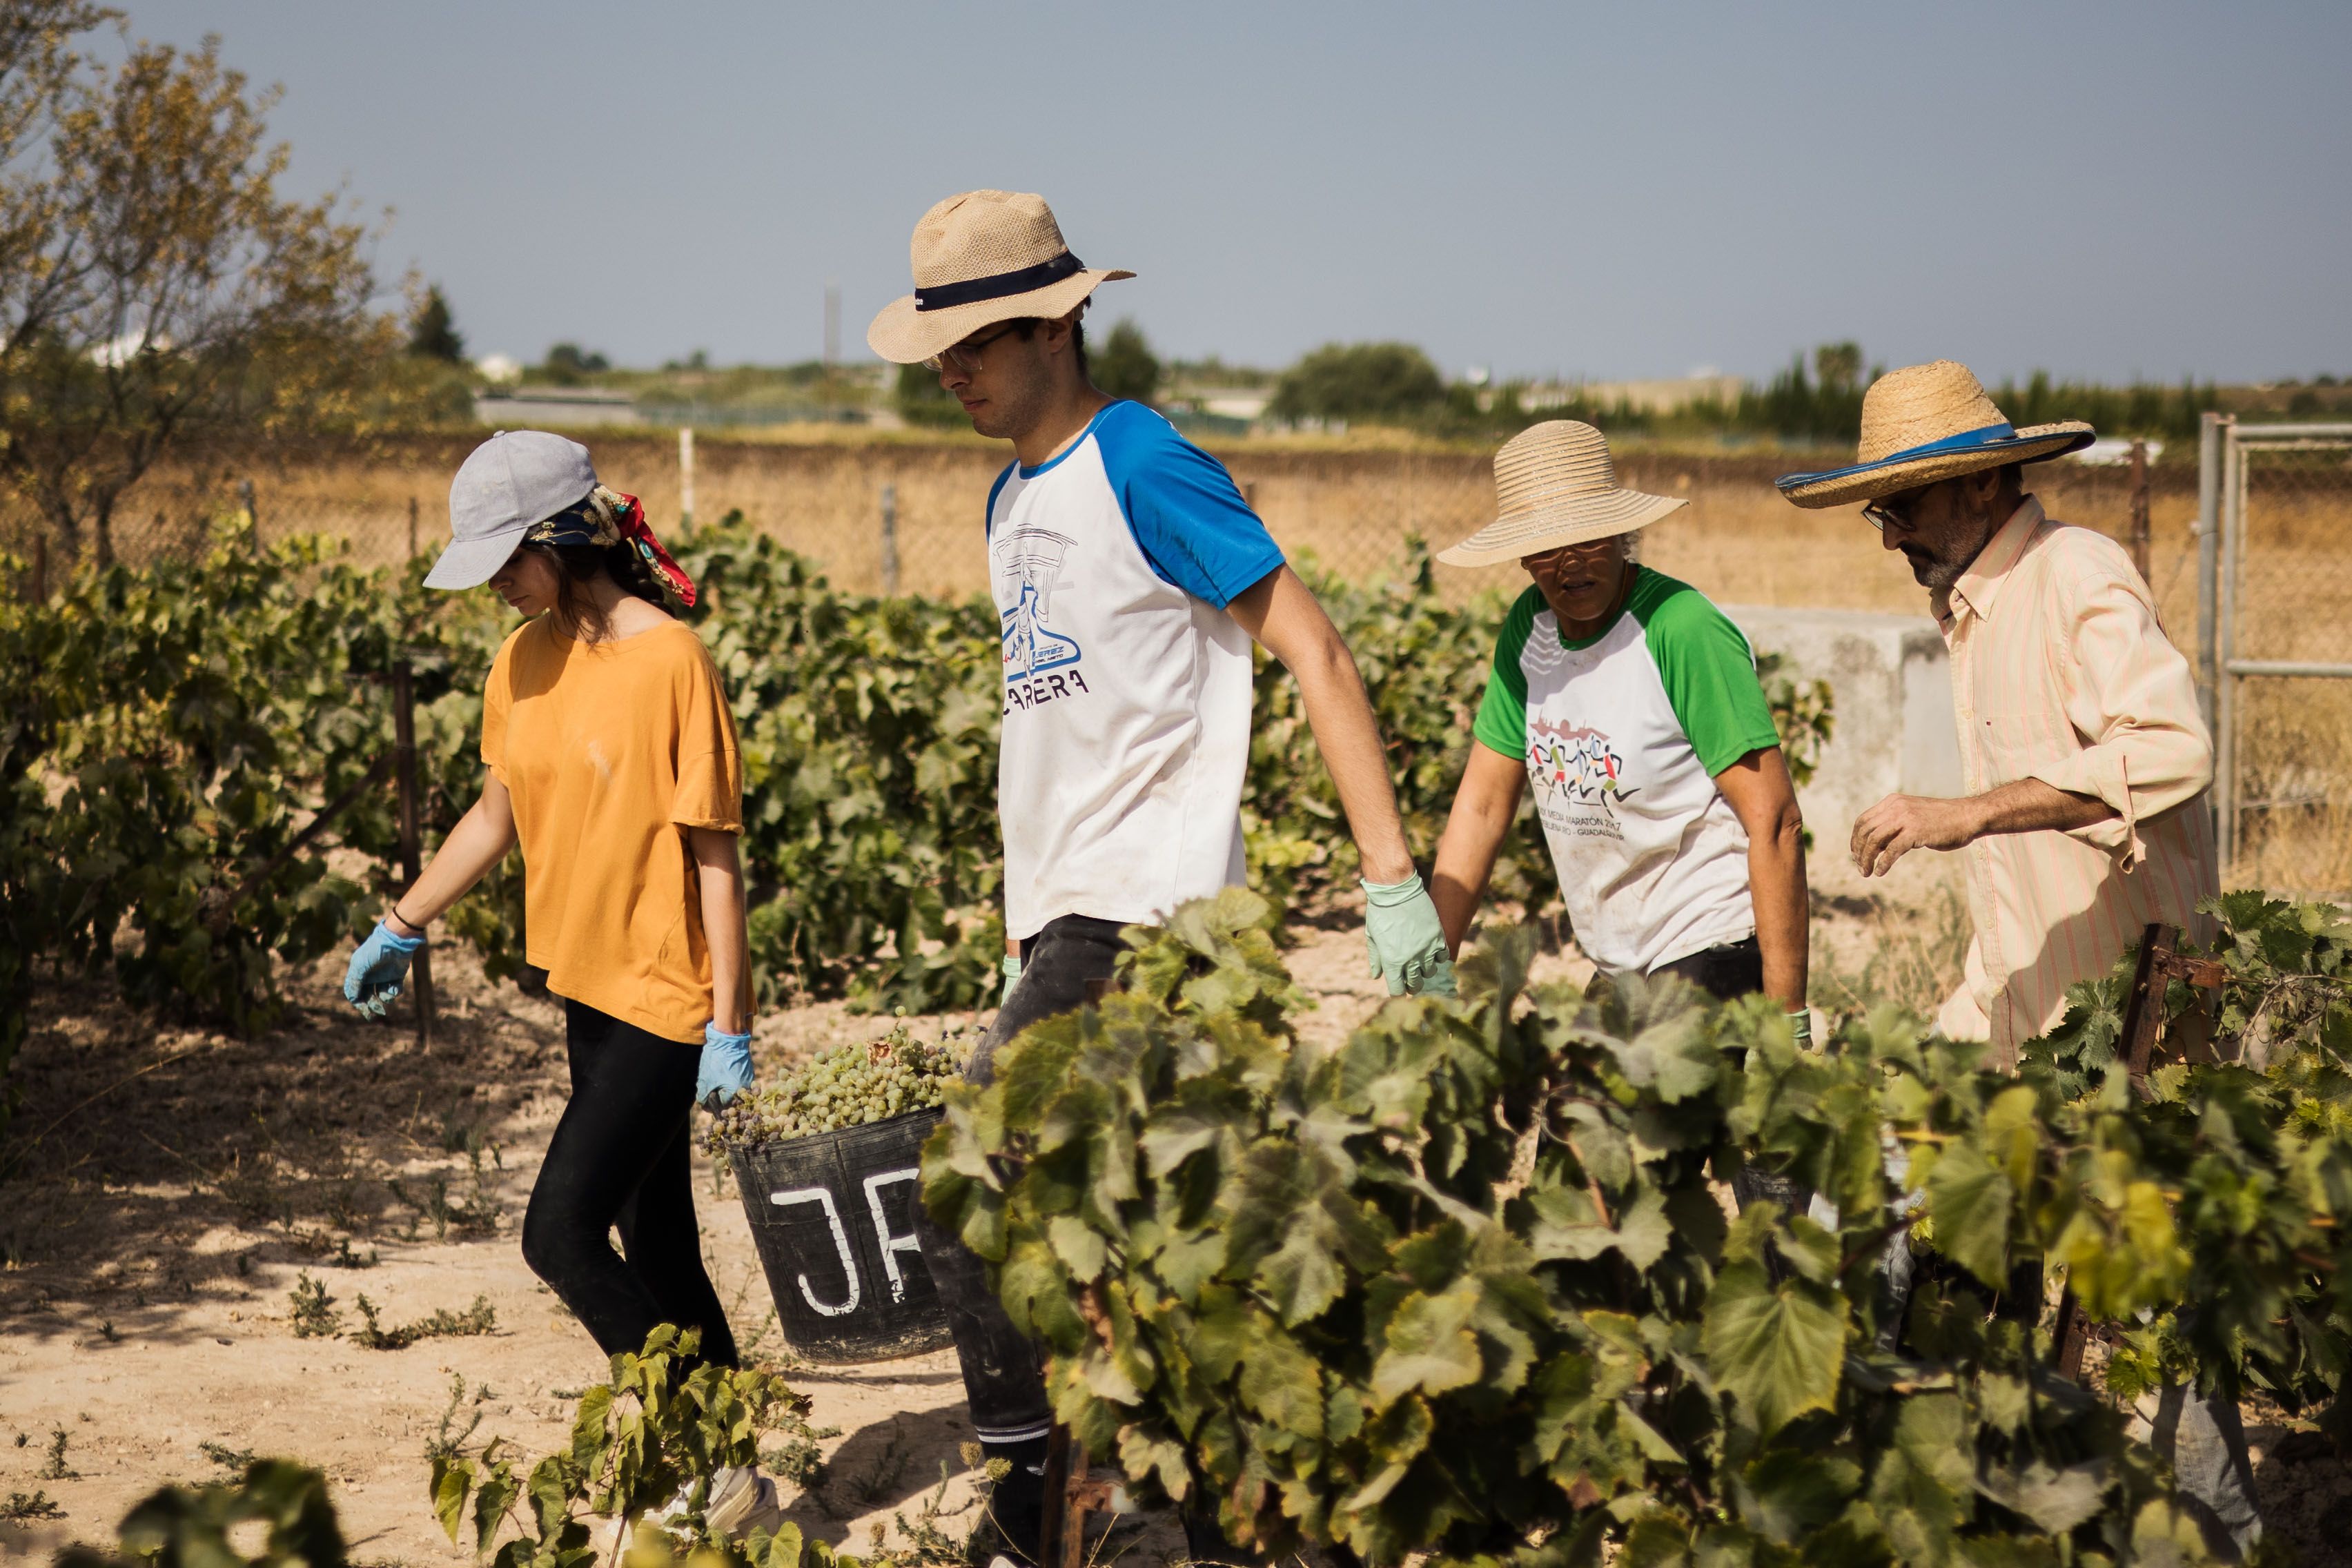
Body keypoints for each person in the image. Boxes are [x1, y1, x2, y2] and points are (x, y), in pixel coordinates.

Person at [865, 188, 1452, 1566]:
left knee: (966, 1181)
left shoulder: (1143, 459)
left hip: (1150, 913)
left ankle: (1029, 1498)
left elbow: (1312, 641)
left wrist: (1390, 876)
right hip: (1067, 919)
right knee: (1140, 1241)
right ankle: (1181, 1518)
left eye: (977, 340)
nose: (952, 369)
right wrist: (1021, 940)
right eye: (937, 349)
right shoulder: (1010, 498)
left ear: (1061, 322)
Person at [1776, 361, 2257, 1558]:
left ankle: (2223, 1541)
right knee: (1905, 1228)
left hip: (2135, 1031)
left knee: (2157, 1335)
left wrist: (1963, 810)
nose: (1885, 532)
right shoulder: (1968, 610)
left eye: (1902, 505)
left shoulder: (2074, 575)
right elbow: (2015, 905)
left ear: (1985, 481)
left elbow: (2171, 748)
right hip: (2018, 1013)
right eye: (1877, 510)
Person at [337, 431, 780, 1538]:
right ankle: (736, 1466)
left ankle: (693, 1458)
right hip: (586, 989)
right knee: (661, 1242)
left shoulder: (671, 660)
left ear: (561, 537)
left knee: (559, 1235)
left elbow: (715, 855)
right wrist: (404, 920)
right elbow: (499, 812)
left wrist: (732, 1022)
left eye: (504, 559)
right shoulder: (523, 659)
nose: (491, 584)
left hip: (666, 1001)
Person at [1429, 420, 1810, 1031]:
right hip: (1618, 959)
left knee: (1629, 1120)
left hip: (1708, 940)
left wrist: (1787, 1016)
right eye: (1546, 548)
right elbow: (1480, 806)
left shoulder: (1679, 627)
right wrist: (1429, 969)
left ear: (1621, 534)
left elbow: (1775, 819)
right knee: (1569, 1125)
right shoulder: (1530, 631)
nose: (1569, 564)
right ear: (1523, 558)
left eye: (1588, 539)